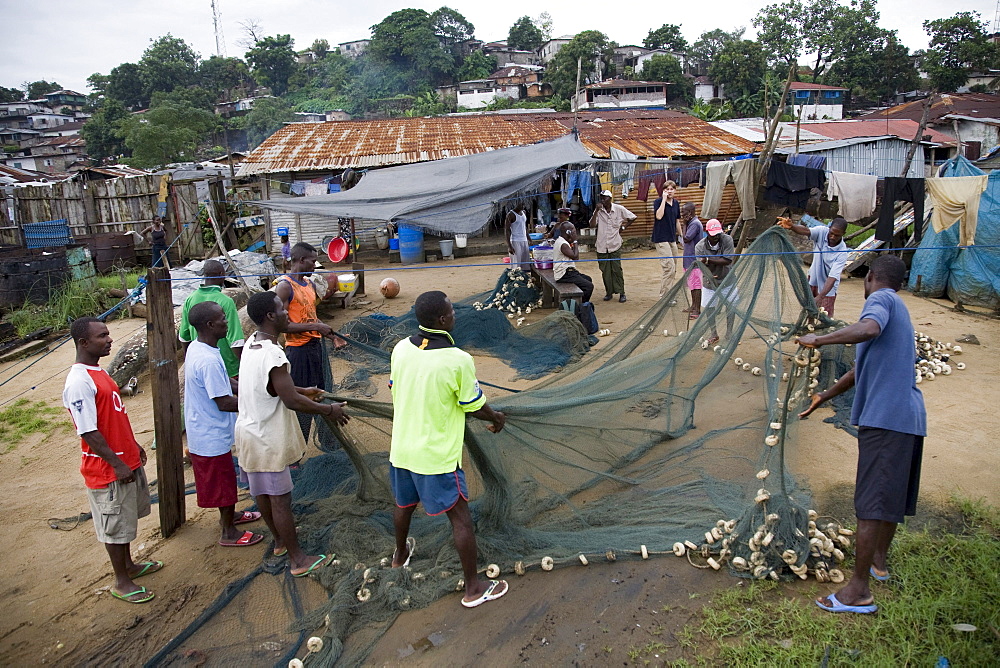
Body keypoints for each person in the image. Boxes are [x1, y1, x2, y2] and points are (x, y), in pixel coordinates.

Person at [798, 254, 925, 615]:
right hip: (908, 419)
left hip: (888, 421)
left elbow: (868, 329)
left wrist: (819, 340)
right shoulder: (899, 311)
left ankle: (858, 592)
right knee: (889, 499)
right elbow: (859, 370)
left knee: (869, 504)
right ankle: (878, 563)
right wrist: (824, 396)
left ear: (870, 277)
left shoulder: (881, 300)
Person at [388, 291, 509, 608]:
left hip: (401, 449)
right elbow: (474, 405)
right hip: (436, 456)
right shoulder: (458, 360)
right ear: (442, 320)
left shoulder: (401, 349)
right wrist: (495, 417)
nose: (455, 314)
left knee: (403, 505)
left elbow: (397, 385)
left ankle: (400, 555)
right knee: (461, 520)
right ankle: (473, 588)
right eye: (452, 311)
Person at [235, 291, 350, 573]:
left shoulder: (253, 343)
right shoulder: (275, 353)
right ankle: (298, 561)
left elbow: (276, 387)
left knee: (261, 494)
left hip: (248, 434)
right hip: (267, 439)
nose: (288, 314)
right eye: (282, 310)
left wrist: (304, 390)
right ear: (271, 316)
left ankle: (279, 542)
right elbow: (290, 401)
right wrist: (328, 411)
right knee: (281, 502)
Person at [63, 317, 162, 604]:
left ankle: (129, 566)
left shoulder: (98, 372)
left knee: (125, 519)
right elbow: (89, 431)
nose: (109, 340)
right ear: (84, 343)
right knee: (114, 524)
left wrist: (132, 447)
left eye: (108, 334)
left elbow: (112, 417)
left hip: (125, 459)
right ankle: (121, 581)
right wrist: (117, 464)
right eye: (102, 336)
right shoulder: (79, 381)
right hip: (107, 469)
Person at [184, 301, 264, 548]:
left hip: (211, 429)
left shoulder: (201, 348)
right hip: (209, 433)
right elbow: (224, 402)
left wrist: (253, 388)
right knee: (223, 484)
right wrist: (260, 402)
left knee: (226, 477)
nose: (227, 322)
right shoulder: (206, 360)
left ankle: (232, 517)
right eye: (222, 319)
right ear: (210, 324)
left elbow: (225, 381)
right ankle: (228, 532)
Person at [275, 242, 340, 439]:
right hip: (298, 351)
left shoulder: (309, 284)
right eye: (312, 261)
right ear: (301, 260)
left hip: (315, 347)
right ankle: (298, 449)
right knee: (302, 399)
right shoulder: (285, 287)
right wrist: (315, 327)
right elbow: (282, 326)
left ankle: (328, 440)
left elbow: (310, 316)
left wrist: (328, 332)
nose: (315, 266)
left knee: (322, 392)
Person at [178, 260, 245, 378]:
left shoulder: (190, 299)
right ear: (221, 274)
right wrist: (245, 365)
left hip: (201, 363)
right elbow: (235, 340)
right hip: (228, 366)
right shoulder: (225, 301)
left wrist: (189, 359)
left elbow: (184, 336)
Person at [779, 216, 850, 317]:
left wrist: (821, 296)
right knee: (809, 311)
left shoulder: (842, 252)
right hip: (813, 278)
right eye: (832, 233)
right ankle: (809, 326)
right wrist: (792, 226)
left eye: (837, 235)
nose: (833, 237)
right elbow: (806, 231)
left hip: (827, 287)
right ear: (829, 229)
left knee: (825, 315)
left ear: (843, 234)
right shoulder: (822, 232)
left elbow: (833, 277)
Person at [694, 219, 736, 345]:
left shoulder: (727, 239)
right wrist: (710, 274)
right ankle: (714, 333)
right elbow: (702, 266)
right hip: (709, 279)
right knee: (709, 307)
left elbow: (728, 260)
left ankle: (729, 333)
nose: (716, 237)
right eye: (713, 235)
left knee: (731, 305)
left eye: (718, 234)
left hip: (727, 278)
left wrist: (708, 259)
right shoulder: (700, 247)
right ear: (707, 232)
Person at [590, 189, 636, 303]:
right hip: (601, 246)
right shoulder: (599, 211)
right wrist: (596, 210)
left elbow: (632, 217)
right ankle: (609, 292)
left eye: (604, 198)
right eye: (601, 198)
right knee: (605, 270)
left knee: (617, 270)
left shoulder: (619, 209)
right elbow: (591, 225)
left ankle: (621, 293)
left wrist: (623, 227)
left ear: (610, 199)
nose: (602, 200)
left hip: (614, 244)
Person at [651, 180, 683, 298]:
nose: (669, 191)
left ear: (675, 190)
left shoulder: (676, 203)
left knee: (673, 268)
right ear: (663, 191)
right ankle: (664, 297)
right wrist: (664, 200)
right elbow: (658, 216)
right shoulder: (658, 202)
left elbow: (677, 221)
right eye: (667, 189)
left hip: (671, 238)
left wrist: (682, 236)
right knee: (668, 267)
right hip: (661, 238)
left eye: (671, 189)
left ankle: (669, 294)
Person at [553, 221, 594, 302]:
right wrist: (575, 241)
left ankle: (578, 301)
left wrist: (571, 240)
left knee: (588, 279)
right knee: (589, 286)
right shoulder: (563, 244)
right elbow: (575, 257)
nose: (575, 233)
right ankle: (581, 307)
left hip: (568, 272)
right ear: (568, 232)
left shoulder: (561, 240)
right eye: (574, 231)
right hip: (564, 274)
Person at [680, 203, 705, 317]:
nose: (682, 214)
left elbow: (686, 238)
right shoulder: (692, 223)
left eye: (683, 211)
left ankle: (697, 310)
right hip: (689, 259)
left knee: (696, 285)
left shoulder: (694, 224)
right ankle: (693, 306)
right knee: (691, 284)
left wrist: (684, 225)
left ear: (690, 212)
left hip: (694, 260)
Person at [504, 203, 531, 270]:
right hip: (515, 240)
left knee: (525, 263)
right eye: (521, 205)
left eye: (523, 205)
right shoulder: (510, 215)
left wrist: (529, 238)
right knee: (516, 264)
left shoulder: (523, 212)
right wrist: (509, 246)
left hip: (524, 240)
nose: (523, 206)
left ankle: (524, 278)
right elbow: (507, 230)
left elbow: (524, 227)